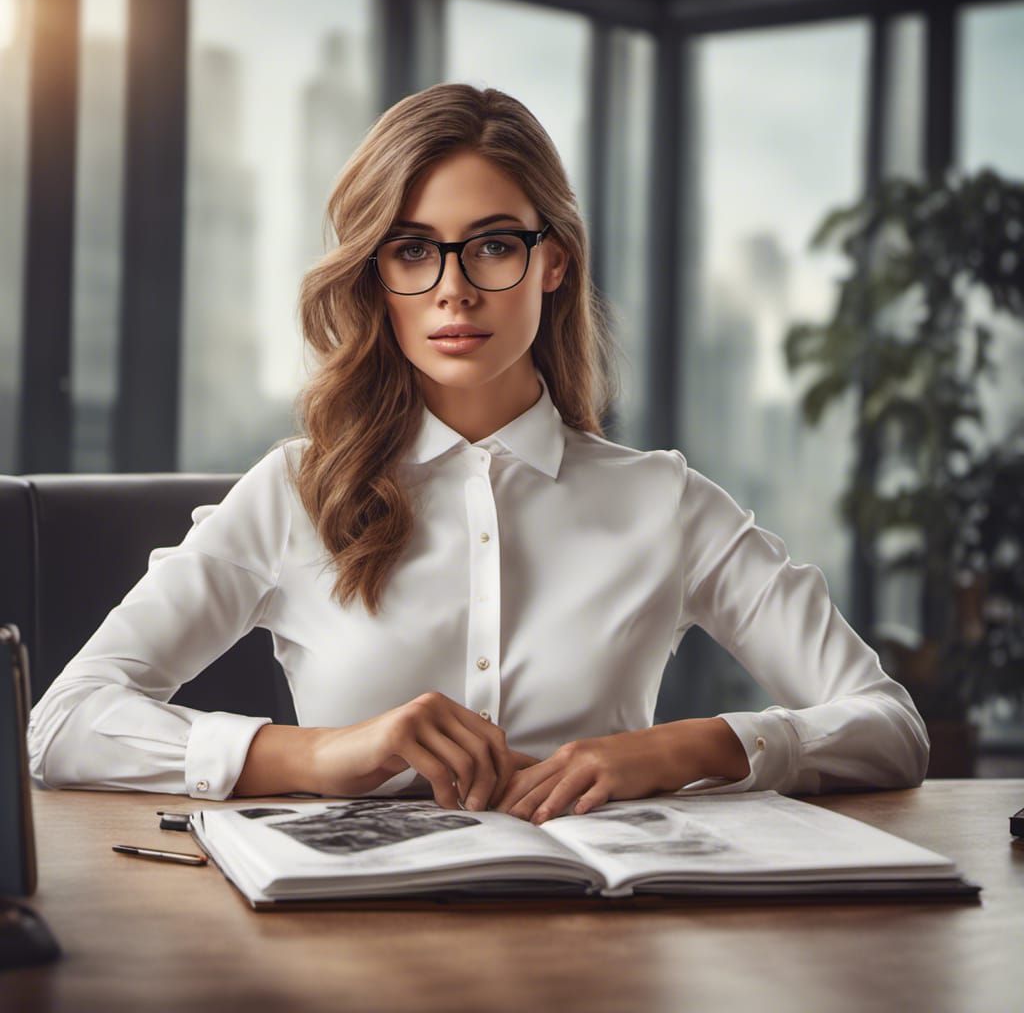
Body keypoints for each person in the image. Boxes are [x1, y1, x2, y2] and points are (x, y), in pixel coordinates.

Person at [26, 83, 929, 826]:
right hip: (346, 951)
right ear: (375, 275)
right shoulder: (295, 493)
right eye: (414, 250)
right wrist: (323, 753)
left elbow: (890, 726)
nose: (453, 289)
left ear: (554, 262)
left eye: (494, 245)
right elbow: (64, 725)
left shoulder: (666, 502)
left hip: (599, 944)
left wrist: (677, 750)